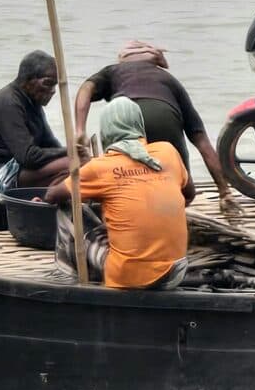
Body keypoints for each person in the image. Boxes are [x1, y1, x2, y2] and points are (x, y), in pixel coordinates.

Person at [73, 42, 239, 222]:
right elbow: (202, 142)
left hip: (123, 117)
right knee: (183, 188)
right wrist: (224, 191)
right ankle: (167, 211)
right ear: (156, 62)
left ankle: (129, 208)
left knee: (121, 176)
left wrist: (80, 128)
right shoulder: (168, 79)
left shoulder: (113, 71)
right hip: (164, 115)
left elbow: (85, 89)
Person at [49, 99, 194, 290]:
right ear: (139, 125)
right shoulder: (167, 151)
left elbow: (52, 195)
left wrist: (76, 168)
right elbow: (189, 194)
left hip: (129, 278)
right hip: (176, 272)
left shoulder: (100, 167)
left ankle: (70, 278)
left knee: (66, 209)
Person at [0, 50, 72, 195]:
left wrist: (74, 152)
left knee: (81, 165)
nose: (53, 91)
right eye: (48, 84)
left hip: (22, 170)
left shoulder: (33, 105)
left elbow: (51, 145)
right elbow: (29, 157)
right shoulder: (9, 104)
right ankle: (48, 198)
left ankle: (53, 198)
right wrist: (70, 152)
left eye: (54, 85)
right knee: (73, 164)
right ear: (27, 81)